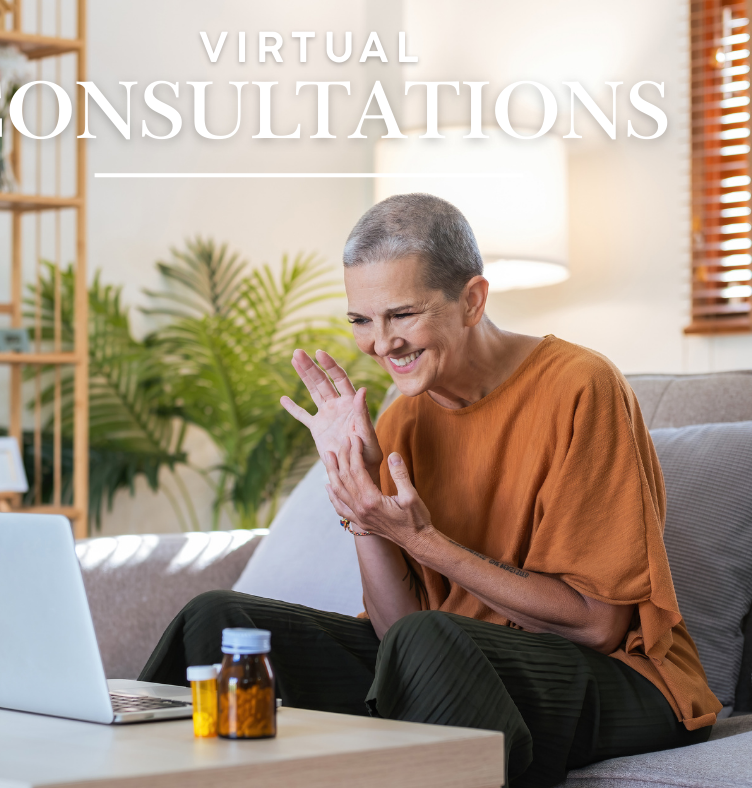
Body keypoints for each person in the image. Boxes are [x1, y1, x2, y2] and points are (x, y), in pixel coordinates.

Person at [139, 193, 721, 788]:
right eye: (362, 320)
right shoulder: (401, 419)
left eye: (402, 315)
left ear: (471, 300)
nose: (380, 343)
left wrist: (423, 541)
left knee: (430, 639)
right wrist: (362, 506)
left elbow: (598, 624)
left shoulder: (580, 387)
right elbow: (395, 635)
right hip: (449, 665)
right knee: (217, 619)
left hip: (621, 675)